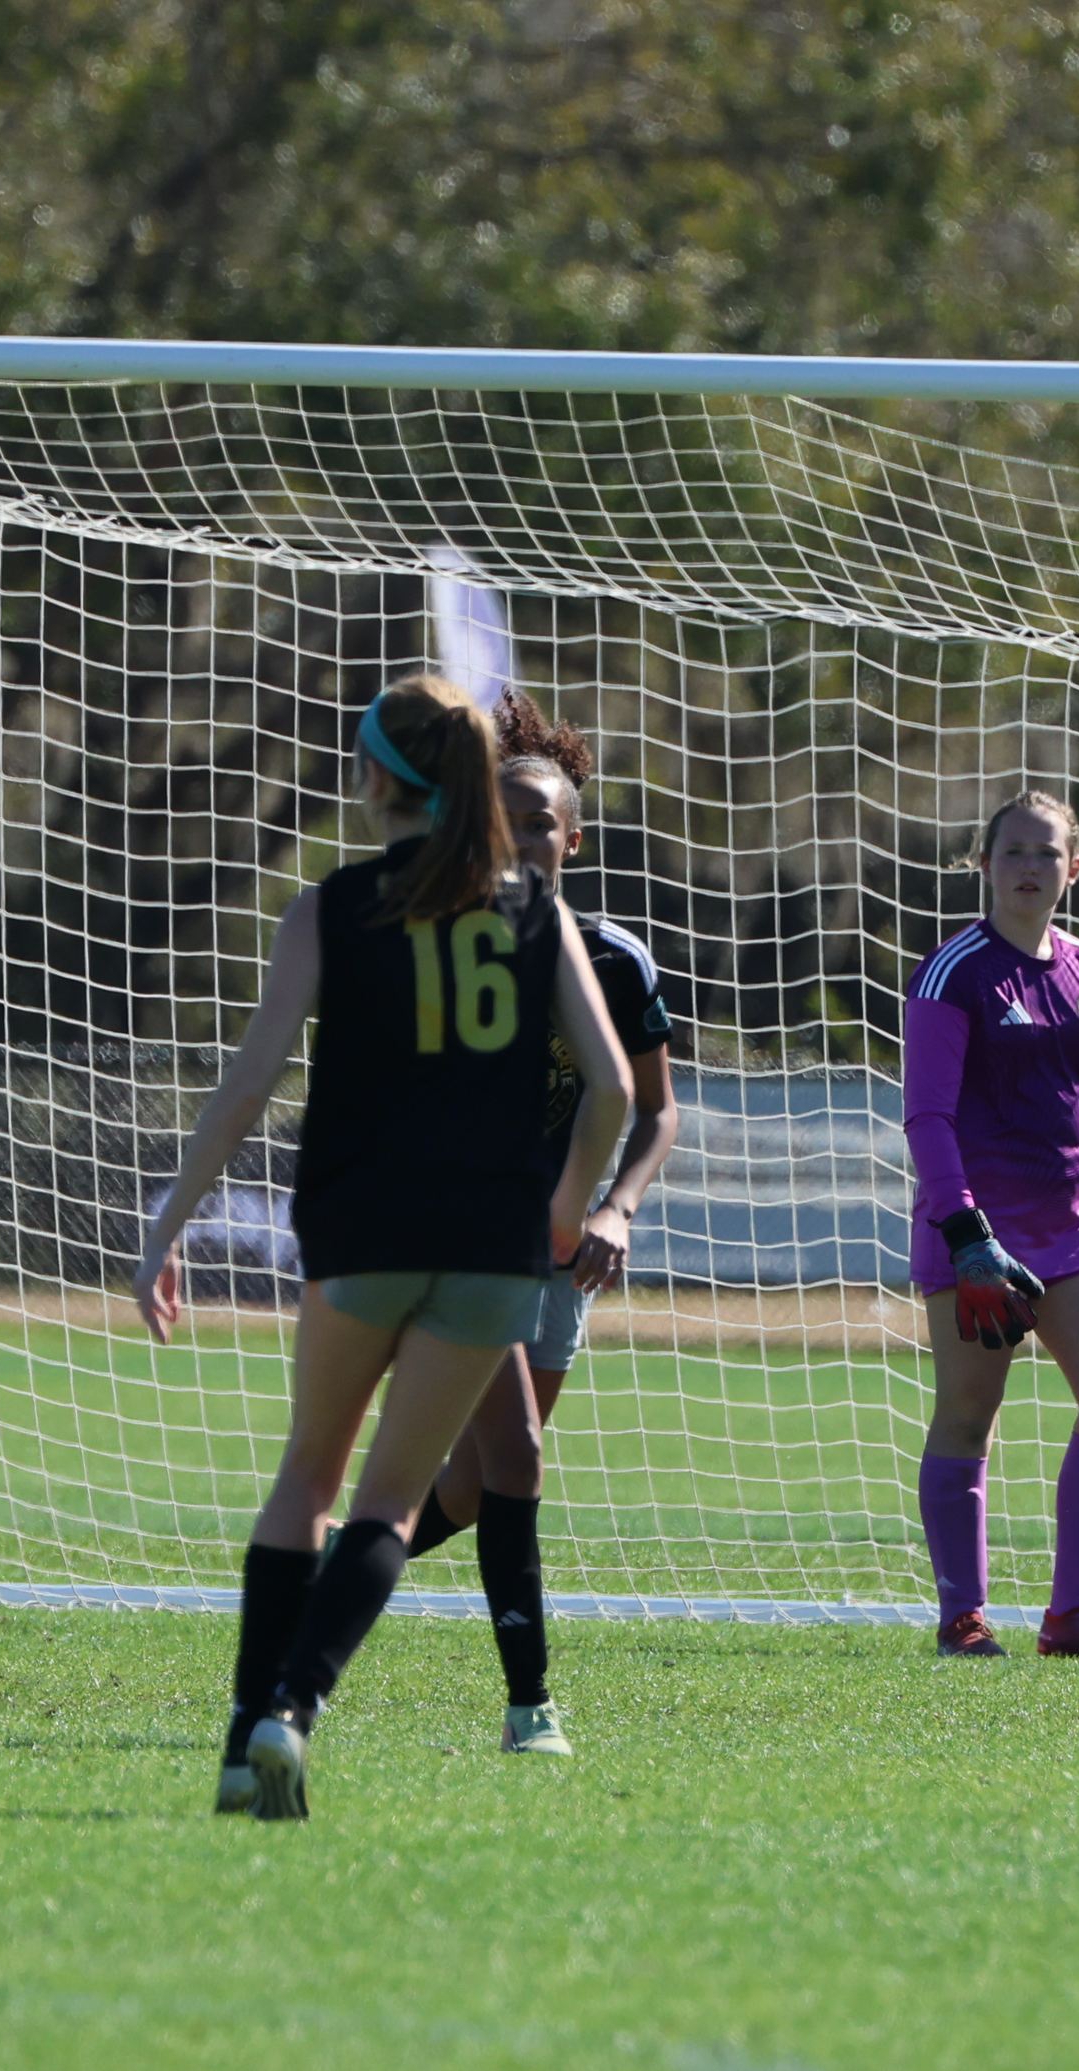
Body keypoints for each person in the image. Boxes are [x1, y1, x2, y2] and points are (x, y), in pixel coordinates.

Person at [132, 674, 631, 1820]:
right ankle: (294, 1708)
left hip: (362, 1224)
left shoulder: (332, 906)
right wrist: (566, 1207)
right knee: (392, 1503)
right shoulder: (533, 910)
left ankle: (243, 1740)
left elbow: (248, 1087)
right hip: (494, 1243)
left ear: (374, 778)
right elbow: (610, 1087)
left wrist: (168, 1222)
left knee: (308, 1476)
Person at [403, 690, 681, 1759]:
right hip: (458, 1235)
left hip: (560, 1253)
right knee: (516, 1455)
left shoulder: (614, 961)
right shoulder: (441, 944)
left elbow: (655, 1110)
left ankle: (330, 1570)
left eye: (540, 822)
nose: (522, 837)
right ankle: (532, 1709)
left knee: (476, 1484)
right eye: (503, 818)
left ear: (574, 838)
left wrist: (616, 1206)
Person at [904, 789, 1079, 1660]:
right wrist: (965, 1236)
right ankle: (962, 1620)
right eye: (1014, 851)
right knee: (968, 1414)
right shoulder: (954, 972)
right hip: (977, 1234)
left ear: (1075, 867)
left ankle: (1072, 1616)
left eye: (1047, 852)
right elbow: (927, 1117)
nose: (1030, 866)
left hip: (1072, 1226)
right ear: (984, 865)